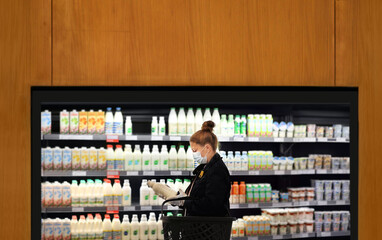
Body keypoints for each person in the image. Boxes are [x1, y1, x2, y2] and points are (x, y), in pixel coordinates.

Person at [174, 120, 231, 217]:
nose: (193, 154)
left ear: (207, 148)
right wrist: (178, 198)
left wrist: (185, 202)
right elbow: (198, 197)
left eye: (194, 150)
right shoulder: (205, 167)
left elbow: (210, 205)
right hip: (200, 228)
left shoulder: (217, 170)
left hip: (209, 229)